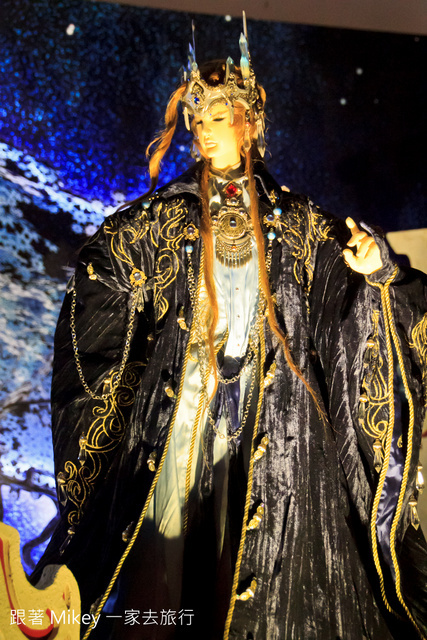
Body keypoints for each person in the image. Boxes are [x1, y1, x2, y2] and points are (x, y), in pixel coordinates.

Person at [31, 24, 427, 640]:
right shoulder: (160, 221)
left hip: (279, 425)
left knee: (264, 566)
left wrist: (377, 269)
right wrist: (115, 268)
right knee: (164, 564)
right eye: (198, 119)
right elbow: (106, 274)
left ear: (251, 122)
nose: (205, 129)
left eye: (219, 115)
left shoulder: (298, 223)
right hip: (184, 417)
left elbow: (353, 308)